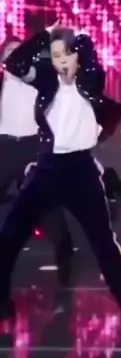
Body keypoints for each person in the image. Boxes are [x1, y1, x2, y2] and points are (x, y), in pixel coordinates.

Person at [0, 25, 121, 327]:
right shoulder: (45, 80)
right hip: (48, 167)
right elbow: (14, 63)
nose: (62, 61)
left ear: (78, 56)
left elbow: (91, 60)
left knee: (103, 241)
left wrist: (79, 40)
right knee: (10, 234)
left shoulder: (90, 81)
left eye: (67, 54)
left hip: (80, 170)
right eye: (56, 56)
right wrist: (43, 34)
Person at [0, 38, 74, 284]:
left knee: (46, 207)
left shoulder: (35, 77)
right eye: (10, 51)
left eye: (19, 51)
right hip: (4, 147)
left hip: (30, 148)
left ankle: (65, 255)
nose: (14, 55)